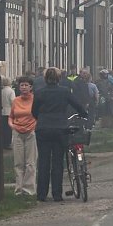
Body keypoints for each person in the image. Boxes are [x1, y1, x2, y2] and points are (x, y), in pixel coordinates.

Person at [31, 67, 88, 202]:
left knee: (43, 161)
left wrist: (42, 118)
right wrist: (84, 114)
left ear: (45, 78)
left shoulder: (39, 92)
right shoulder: (65, 91)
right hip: (60, 128)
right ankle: (57, 194)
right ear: (59, 78)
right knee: (58, 161)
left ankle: (41, 194)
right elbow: (77, 105)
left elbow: (34, 111)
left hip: (43, 129)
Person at [9, 76, 37, 196]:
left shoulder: (35, 100)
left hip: (31, 131)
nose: (24, 87)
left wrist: (34, 126)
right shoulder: (16, 101)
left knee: (30, 162)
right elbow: (11, 116)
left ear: (31, 87)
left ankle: (29, 189)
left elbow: (38, 115)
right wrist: (12, 125)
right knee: (18, 162)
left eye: (26, 85)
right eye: (22, 85)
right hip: (17, 132)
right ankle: (19, 188)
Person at [1, 76, 16, 149]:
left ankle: (3, 142)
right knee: (9, 129)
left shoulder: (1, 91)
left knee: (3, 128)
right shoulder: (11, 91)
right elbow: (13, 102)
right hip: (9, 111)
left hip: (2, 111)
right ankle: (8, 143)